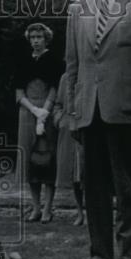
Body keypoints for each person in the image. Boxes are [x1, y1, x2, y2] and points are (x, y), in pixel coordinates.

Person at [64, 0, 131, 259]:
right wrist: (73, 113)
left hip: (124, 109)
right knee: (93, 186)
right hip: (88, 111)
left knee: (128, 187)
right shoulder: (78, 8)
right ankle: (100, 256)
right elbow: (72, 66)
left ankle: (130, 255)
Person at [12, 22, 64, 222]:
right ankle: (35, 207)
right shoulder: (22, 60)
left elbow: (55, 88)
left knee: (47, 158)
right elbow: (18, 91)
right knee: (30, 160)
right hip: (27, 112)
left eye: (39, 37)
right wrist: (33, 109)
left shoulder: (54, 60)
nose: (35, 41)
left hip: (47, 111)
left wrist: (44, 112)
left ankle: (48, 209)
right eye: (32, 37)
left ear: (46, 38)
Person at [53, 72, 86, 225]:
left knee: (90, 173)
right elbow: (58, 104)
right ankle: (80, 212)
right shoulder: (65, 78)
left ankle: (95, 212)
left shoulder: (91, 73)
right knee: (75, 176)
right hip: (68, 131)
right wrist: (59, 118)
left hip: (87, 130)